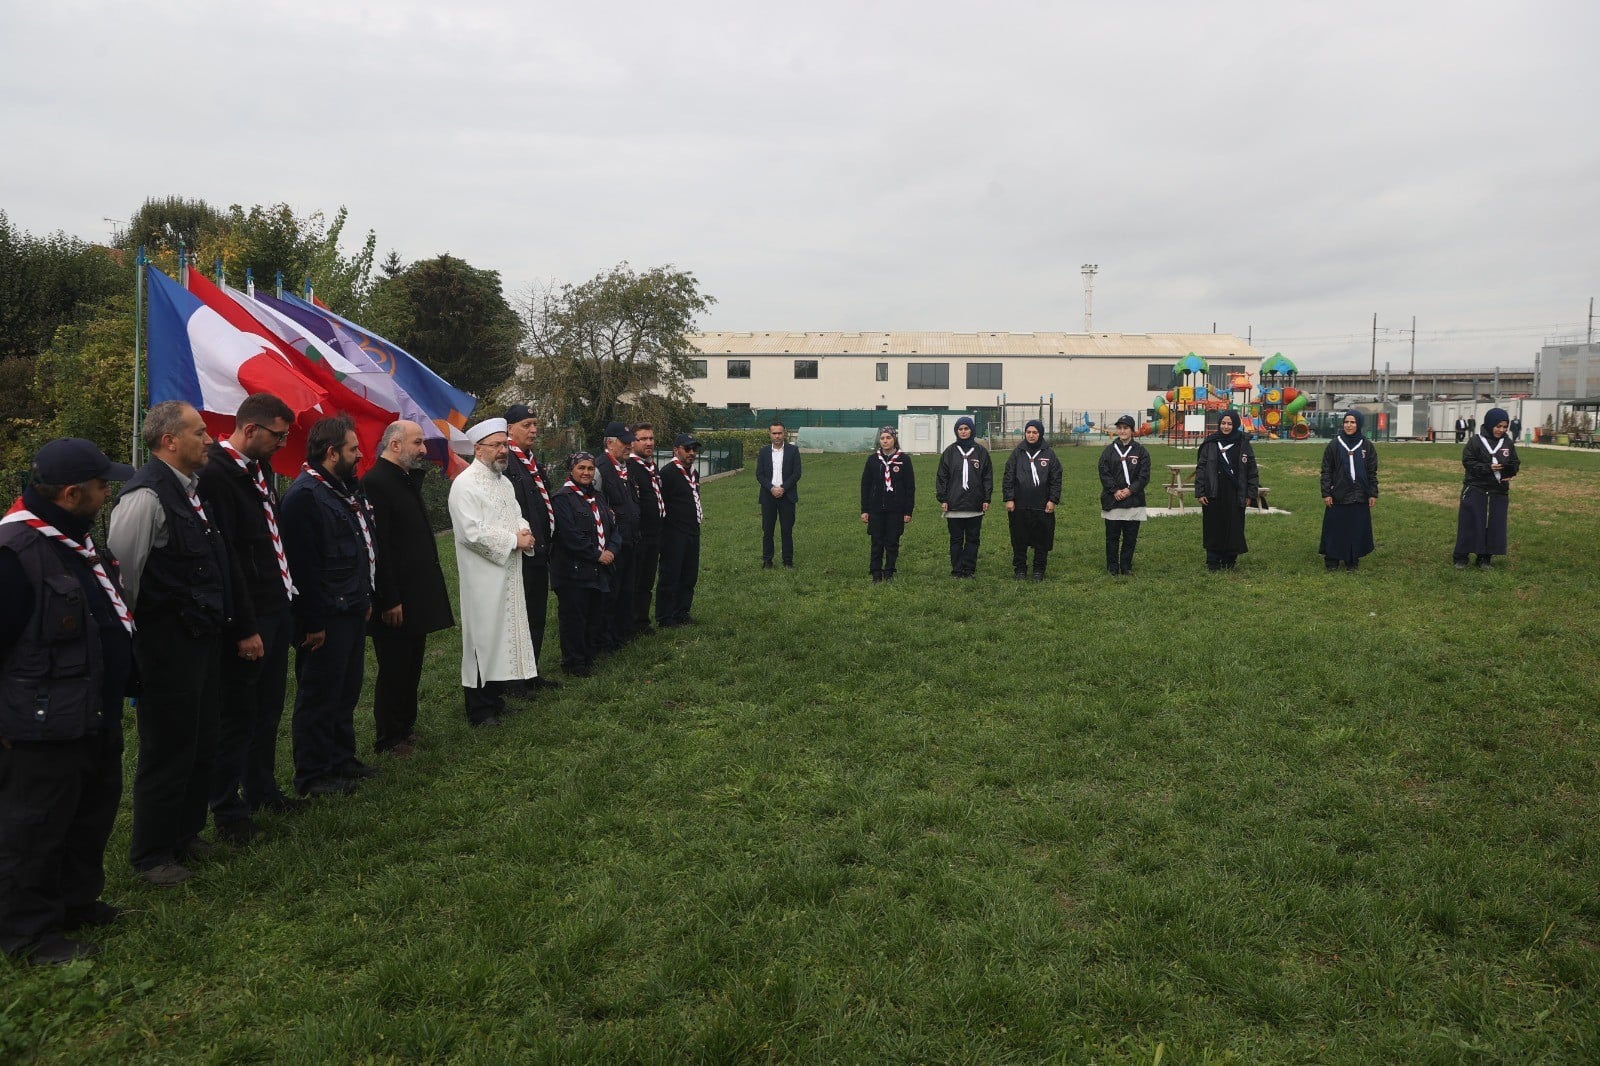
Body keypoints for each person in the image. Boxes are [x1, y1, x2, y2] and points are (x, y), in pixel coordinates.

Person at [0, 440, 136, 963]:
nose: (108, 492)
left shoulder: (76, 542)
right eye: (103, 486)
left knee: (89, 812)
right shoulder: (15, 553)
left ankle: (76, 901)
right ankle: (28, 933)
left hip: (90, 711)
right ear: (71, 493)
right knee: (35, 827)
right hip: (38, 724)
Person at [108, 401, 229, 887]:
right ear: (169, 441)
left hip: (199, 638)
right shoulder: (144, 497)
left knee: (201, 740)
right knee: (167, 748)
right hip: (165, 645)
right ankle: (151, 853)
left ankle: (185, 832)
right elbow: (125, 579)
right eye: (199, 432)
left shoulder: (191, 491)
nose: (209, 440)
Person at [197, 392, 306, 848]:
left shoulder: (259, 469)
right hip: (247, 611)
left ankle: (262, 788)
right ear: (250, 430)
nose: (283, 444)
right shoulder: (216, 475)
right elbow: (227, 556)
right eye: (278, 435)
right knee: (237, 714)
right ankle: (227, 810)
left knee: (267, 707)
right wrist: (243, 625)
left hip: (275, 603)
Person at [279, 416, 376, 797]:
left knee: (346, 689)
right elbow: (303, 566)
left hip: (351, 607)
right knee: (319, 693)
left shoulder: (343, 490)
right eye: (353, 449)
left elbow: (359, 549)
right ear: (331, 452)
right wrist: (312, 621)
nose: (359, 455)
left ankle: (341, 758)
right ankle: (313, 774)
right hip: (325, 616)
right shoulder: (305, 496)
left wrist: (364, 596)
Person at [362, 420, 454, 755]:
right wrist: (390, 598)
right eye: (417, 442)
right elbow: (380, 547)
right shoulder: (376, 482)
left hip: (415, 593)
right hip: (395, 596)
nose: (423, 450)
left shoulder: (403, 479)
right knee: (394, 668)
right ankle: (389, 737)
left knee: (411, 663)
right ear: (395, 444)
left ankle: (405, 727)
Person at [448, 419, 538, 725]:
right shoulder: (465, 484)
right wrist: (514, 540)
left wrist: (524, 532)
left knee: (503, 635)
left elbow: (517, 514)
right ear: (477, 448)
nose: (503, 451)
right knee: (482, 639)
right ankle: (479, 708)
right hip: (482, 577)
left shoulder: (504, 481)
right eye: (496, 445)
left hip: (507, 572)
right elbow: (471, 533)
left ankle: (496, 698)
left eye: (504, 445)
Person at [503, 403, 558, 686]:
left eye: (535, 424)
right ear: (510, 429)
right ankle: (515, 679)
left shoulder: (530, 460)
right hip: (520, 552)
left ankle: (531, 672)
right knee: (520, 617)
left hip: (540, 550)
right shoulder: (507, 461)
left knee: (536, 614)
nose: (534, 430)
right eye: (527, 425)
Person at [551, 452, 617, 676]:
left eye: (590, 468)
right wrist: (596, 554)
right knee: (574, 617)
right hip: (573, 571)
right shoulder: (562, 499)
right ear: (571, 470)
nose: (586, 473)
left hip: (598, 569)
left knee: (593, 613)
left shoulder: (598, 497)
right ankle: (573, 662)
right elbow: (569, 534)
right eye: (581, 468)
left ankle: (588, 655)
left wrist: (611, 550)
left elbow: (612, 527)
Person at [1453, 407, 1520, 570]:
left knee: (1494, 524)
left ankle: (1485, 557)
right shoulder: (1476, 441)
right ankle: (1461, 556)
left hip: (1498, 491)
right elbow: (1468, 462)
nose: (1501, 430)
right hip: (1476, 487)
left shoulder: (1508, 443)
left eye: (1504, 427)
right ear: (1490, 424)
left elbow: (1515, 463)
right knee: (1470, 521)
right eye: (1498, 426)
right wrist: (1487, 467)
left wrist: (1509, 470)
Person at [1195, 409, 1260, 571]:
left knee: (1234, 526)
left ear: (1235, 424)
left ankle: (1230, 560)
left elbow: (1251, 470)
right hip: (1213, 491)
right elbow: (1201, 468)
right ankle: (1213, 561)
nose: (1226, 426)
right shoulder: (1210, 443)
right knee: (1213, 526)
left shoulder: (1243, 443)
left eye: (1229, 423)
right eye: (1223, 423)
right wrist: (1200, 491)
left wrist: (1250, 493)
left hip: (1235, 492)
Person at [596, 422, 640, 650]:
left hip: (629, 538)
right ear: (609, 443)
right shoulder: (600, 468)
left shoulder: (626, 466)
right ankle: (607, 638)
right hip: (613, 542)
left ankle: (622, 632)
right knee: (611, 593)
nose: (629, 446)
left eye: (630, 441)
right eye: (624, 442)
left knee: (626, 589)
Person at [1319, 411, 1379, 571]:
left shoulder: (1366, 445)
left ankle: (1352, 559)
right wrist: (1326, 492)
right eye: (1346, 422)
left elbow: (1372, 471)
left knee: (1356, 528)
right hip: (1339, 495)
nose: (1349, 425)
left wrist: (1372, 493)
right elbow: (1326, 471)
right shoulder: (1334, 444)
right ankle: (1332, 560)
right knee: (1336, 528)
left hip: (1359, 496)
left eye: (1352, 422)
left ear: (1358, 424)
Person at [1002, 419, 1061, 581]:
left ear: (1040, 434)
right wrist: (1009, 498)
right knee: (1019, 539)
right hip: (1019, 505)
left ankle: (1038, 570)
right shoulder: (1017, 453)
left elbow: (1056, 478)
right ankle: (1020, 569)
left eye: (1035, 432)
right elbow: (1008, 477)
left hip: (1042, 506)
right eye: (1028, 432)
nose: (1031, 435)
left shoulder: (1048, 454)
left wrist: (1052, 500)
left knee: (1042, 539)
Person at [656, 434, 705, 627]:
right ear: (676, 449)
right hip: (674, 532)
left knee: (689, 573)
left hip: (692, 530)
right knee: (671, 573)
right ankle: (665, 616)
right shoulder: (668, 473)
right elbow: (662, 503)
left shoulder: (693, 472)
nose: (692, 453)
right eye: (687, 449)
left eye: (694, 449)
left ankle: (682, 611)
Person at [935, 416, 991, 578]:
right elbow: (942, 477)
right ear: (956, 431)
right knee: (956, 539)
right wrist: (943, 498)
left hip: (975, 504)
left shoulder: (981, 452)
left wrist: (986, 498)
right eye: (960, 429)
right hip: (954, 504)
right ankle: (957, 570)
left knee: (973, 539)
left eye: (966, 429)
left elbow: (987, 477)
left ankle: (969, 569)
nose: (963, 432)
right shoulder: (950, 452)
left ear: (972, 430)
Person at [859, 426, 915, 582]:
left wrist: (908, 511)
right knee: (876, 541)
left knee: (892, 542)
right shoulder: (872, 460)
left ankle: (889, 571)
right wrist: (865, 509)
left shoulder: (904, 460)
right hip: (876, 509)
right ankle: (876, 572)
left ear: (894, 439)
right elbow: (865, 485)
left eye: (888, 438)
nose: (885, 441)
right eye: (882, 438)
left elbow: (910, 487)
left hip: (896, 509)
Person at [1098, 415, 1151, 576]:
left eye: (1125, 428)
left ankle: (1126, 566)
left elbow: (1144, 476)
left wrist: (1130, 490)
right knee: (1112, 537)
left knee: (1130, 537)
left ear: (1132, 430)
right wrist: (1115, 490)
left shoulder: (1141, 452)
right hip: (1113, 500)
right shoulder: (1109, 451)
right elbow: (1103, 471)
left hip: (1134, 500)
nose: (1122, 431)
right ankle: (1112, 567)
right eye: (1119, 428)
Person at [626, 423, 664, 635]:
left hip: (655, 533)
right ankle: (631, 622)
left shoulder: (651, 466)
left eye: (651, 438)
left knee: (647, 579)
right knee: (636, 579)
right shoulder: (631, 467)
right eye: (643, 439)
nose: (649, 442)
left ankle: (642, 620)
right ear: (633, 442)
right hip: (639, 535)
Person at [755, 421, 801, 569]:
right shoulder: (763, 452)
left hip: (787, 496)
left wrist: (783, 488)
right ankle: (767, 561)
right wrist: (771, 488)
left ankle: (788, 561)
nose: (777, 436)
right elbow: (759, 474)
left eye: (779, 433)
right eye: (774, 433)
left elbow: (796, 473)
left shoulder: (793, 451)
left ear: (784, 433)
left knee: (786, 530)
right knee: (767, 530)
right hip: (768, 496)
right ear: (770, 434)